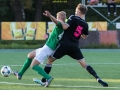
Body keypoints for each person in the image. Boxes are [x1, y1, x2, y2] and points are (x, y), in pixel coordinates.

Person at [35, 3, 108, 87]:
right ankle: (97, 78)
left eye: (76, 11)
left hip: (64, 44)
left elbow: (65, 27)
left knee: (49, 61)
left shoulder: (73, 17)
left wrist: (59, 23)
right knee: (85, 65)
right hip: (74, 47)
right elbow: (85, 36)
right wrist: (78, 32)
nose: (75, 12)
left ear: (78, 11)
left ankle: (43, 80)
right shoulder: (85, 24)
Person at [13, 11, 66, 87]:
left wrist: (50, 15)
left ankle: (48, 78)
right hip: (47, 47)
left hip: (48, 48)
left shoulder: (60, 24)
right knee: (30, 55)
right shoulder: (64, 26)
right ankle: (20, 74)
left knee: (33, 65)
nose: (56, 19)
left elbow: (56, 21)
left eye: (57, 17)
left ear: (60, 18)